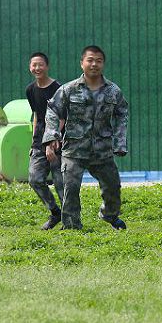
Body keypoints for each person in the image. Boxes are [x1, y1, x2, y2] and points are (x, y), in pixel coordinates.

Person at [42, 45, 129, 231]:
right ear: (82, 63)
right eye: (90, 60)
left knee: (113, 189)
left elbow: (122, 113)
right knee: (70, 189)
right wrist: (51, 137)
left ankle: (109, 215)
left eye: (98, 61)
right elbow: (52, 110)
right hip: (74, 149)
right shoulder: (69, 89)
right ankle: (72, 228)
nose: (94, 64)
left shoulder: (113, 91)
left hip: (102, 150)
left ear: (103, 64)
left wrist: (120, 142)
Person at [25, 52, 65, 230]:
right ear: (30, 67)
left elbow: (62, 117)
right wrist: (34, 142)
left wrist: (53, 139)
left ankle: (70, 220)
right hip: (39, 141)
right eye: (34, 65)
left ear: (47, 66)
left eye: (40, 65)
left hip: (58, 141)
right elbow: (36, 116)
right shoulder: (30, 90)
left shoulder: (58, 89)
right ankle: (55, 212)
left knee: (60, 183)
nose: (37, 68)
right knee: (35, 179)